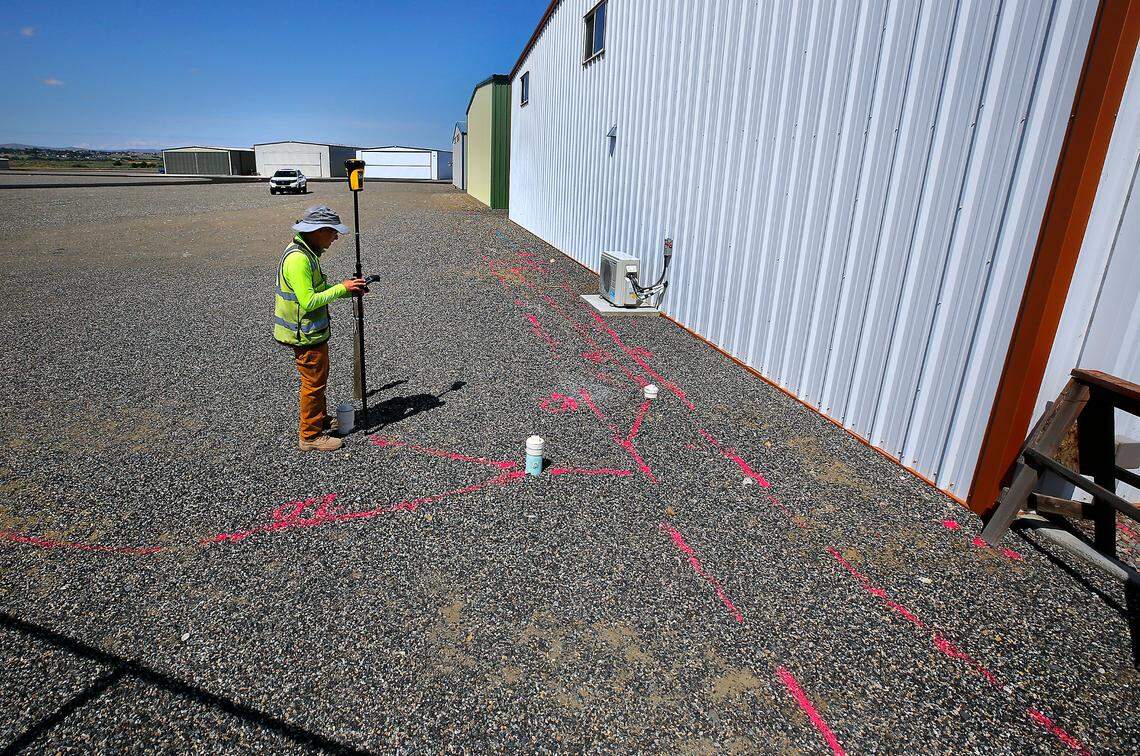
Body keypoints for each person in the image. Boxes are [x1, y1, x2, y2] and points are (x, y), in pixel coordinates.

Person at [273, 205, 367, 451]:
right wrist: (341, 288)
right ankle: (310, 436)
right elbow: (309, 301)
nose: (336, 237)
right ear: (318, 230)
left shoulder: (307, 252)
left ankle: (318, 418)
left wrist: (349, 290)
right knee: (313, 384)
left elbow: (317, 292)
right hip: (304, 335)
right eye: (333, 232)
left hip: (312, 332)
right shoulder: (298, 260)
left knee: (318, 380)